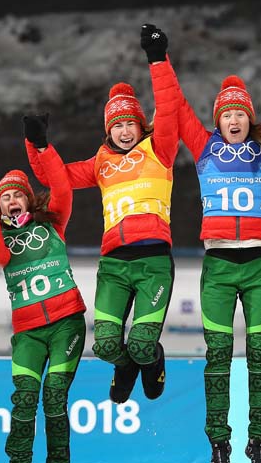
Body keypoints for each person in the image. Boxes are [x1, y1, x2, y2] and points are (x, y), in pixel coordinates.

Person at [168, 21, 261, 463]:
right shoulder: (203, 148)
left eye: (241, 113)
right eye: (227, 114)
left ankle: (259, 441)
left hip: (260, 265)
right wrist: (158, 58)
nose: (234, 119)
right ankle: (219, 443)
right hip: (220, 265)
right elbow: (176, 105)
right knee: (218, 356)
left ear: (250, 118)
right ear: (218, 119)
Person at [27, 25, 181, 405]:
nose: (125, 131)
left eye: (130, 123)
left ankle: (150, 358)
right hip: (113, 262)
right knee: (108, 345)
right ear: (108, 129)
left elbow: (170, 106)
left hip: (153, 261)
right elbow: (53, 177)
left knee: (143, 344)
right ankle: (124, 365)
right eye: (117, 124)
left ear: (139, 125)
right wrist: (37, 143)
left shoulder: (158, 149)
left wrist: (157, 59)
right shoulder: (100, 164)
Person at [0, 119, 86, 463]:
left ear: (29, 199)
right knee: (25, 398)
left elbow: (62, 186)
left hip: (66, 323)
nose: (12, 201)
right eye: (4, 198)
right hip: (29, 331)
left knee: (54, 396)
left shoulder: (54, 221)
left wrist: (41, 145)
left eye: (17, 195)